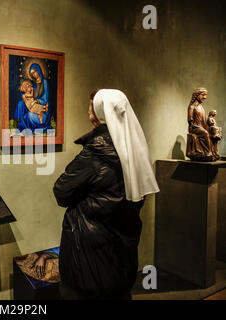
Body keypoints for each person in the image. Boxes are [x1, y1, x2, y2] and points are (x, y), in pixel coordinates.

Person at [53, 89, 159, 300]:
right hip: (122, 249)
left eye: (93, 104)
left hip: (89, 255)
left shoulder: (96, 152)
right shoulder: (136, 149)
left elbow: (61, 191)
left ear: (99, 112)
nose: (89, 107)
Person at [14, 64, 53, 133]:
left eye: (35, 72)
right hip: (32, 105)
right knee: (20, 104)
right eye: (32, 74)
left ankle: (30, 127)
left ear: (38, 71)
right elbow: (29, 93)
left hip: (43, 109)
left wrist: (36, 101)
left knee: (29, 115)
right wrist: (25, 96)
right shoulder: (34, 83)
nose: (34, 75)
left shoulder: (45, 82)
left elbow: (45, 100)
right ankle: (20, 125)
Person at [186, 88, 214, 161]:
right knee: (205, 133)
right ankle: (208, 153)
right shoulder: (192, 106)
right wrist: (195, 128)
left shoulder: (201, 107)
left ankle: (213, 153)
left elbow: (204, 121)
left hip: (201, 127)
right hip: (194, 128)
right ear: (197, 95)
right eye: (203, 95)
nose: (205, 97)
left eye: (205, 95)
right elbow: (190, 120)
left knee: (210, 133)